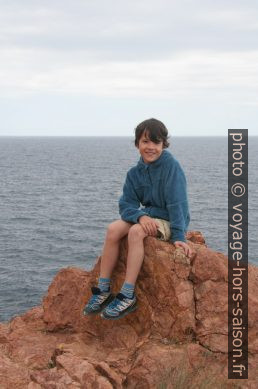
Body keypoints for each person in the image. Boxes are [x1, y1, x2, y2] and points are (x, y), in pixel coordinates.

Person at [83, 118, 192, 320]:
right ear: (137, 144)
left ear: (163, 145)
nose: (151, 147)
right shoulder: (134, 173)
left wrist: (179, 236)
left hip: (169, 219)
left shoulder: (171, 167)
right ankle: (104, 289)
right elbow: (126, 205)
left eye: (156, 142)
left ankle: (127, 294)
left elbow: (178, 204)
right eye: (145, 142)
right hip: (149, 215)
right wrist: (140, 216)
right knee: (113, 229)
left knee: (135, 232)